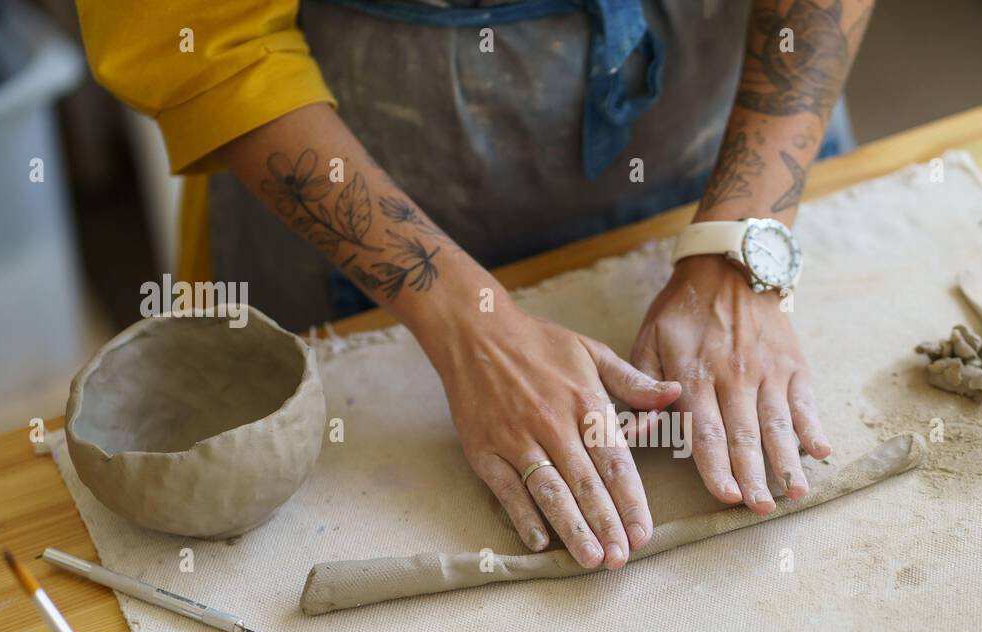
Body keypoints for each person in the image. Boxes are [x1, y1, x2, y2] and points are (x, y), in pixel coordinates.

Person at [75, 0, 874, 572]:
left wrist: (742, 244)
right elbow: (201, 37)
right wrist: (471, 328)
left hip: (722, 119)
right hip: (364, 156)